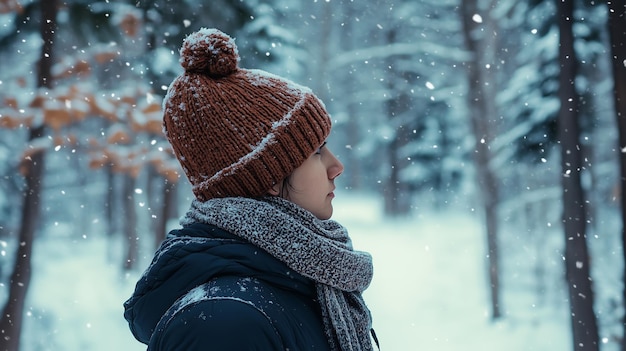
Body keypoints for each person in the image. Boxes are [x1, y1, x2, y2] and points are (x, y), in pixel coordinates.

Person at [123, 28, 377, 351]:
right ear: (269, 178)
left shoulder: (300, 281)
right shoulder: (223, 324)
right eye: (316, 151)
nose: (336, 165)